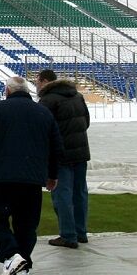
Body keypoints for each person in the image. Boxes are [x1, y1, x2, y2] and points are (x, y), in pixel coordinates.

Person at [0, 77, 62, 275]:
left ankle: (12, 256)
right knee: (26, 225)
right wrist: (52, 175)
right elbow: (56, 147)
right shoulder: (43, 112)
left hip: (4, 177)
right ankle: (23, 268)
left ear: (7, 90)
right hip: (32, 179)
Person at [36, 69, 91, 249]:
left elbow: (43, 128)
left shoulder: (48, 100)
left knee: (62, 194)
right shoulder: (77, 96)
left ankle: (68, 235)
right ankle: (80, 232)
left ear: (43, 81)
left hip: (61, 155)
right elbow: (86, 122)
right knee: (79, 192)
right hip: (80, 151)